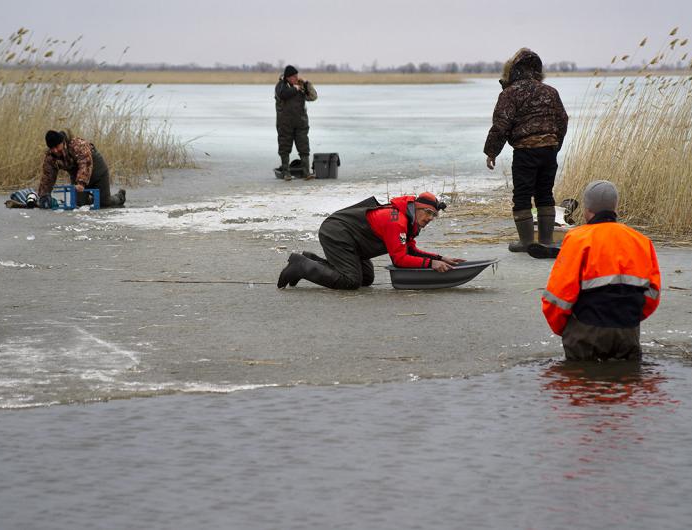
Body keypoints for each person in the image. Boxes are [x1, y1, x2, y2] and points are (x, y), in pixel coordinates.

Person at [541, 180, 661, 361]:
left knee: (582, 382)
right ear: (615, 206)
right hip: (627, 332)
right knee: (626, 384)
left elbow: (558, 297)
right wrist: (629, 320)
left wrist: (566, 331)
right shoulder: (640, 241)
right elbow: (653, 293)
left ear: (586, 208)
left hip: (585, 332)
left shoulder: (577, 239)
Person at [277, 192, 464, 289]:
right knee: (350, 281)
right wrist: (431, 264)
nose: (430, 218)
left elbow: (410, 251)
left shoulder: (408, 221)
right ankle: (302, 266)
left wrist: (441, 257)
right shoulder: (397, 222)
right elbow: (399, 260)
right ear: (417, 208)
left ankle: (311, 260)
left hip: (353, 241)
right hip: (337, 233)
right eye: (428, 213)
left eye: (434, 215)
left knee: (366, 279)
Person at [484, 48, 568, 253]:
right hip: (549, 149)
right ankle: (547, 241)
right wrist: (556, 145)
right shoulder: (550, 91)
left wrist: (491, 152)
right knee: (545, 193)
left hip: (525, 151)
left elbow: (501, 126)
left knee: (522, 196)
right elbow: (562, 120)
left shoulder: (509, 93)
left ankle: (527, 242)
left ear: (513, 71)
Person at [37, 130, 126, 209]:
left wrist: (81, 182)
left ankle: (120, 197)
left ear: (63, 142)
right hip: (76, 175)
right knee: (79, 204)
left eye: (57, 146)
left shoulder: (77, 144)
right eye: (52, 148)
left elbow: (85, 162)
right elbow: (48, 176)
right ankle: (90, 200)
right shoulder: (50, 157)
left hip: (97, 172)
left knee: (104, 204)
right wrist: (44, 195)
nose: (55, 150)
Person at [275, 65, 317, 181]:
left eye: (296, 76)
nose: (296, 78)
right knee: (284, 148)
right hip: (285, 124)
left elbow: (313, 97)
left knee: (304, 148)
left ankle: (306, 173)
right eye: (293, 76)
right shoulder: (281, 86)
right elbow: (283, 94)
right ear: (287, 77)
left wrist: (307, 84)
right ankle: (286, 173)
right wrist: (295, 89)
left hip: (301, 123)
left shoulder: (301, 86)